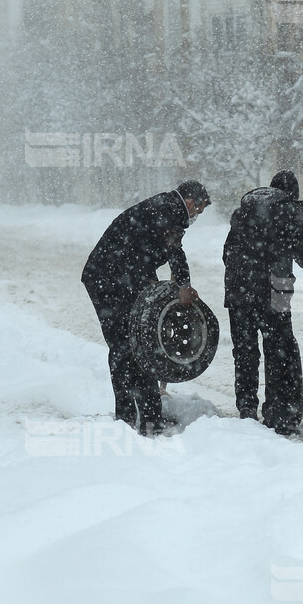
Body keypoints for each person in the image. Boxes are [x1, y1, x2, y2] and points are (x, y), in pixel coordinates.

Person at [81, 179, 210, 433]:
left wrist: (155, 280)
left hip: (121, 275)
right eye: (199, 210)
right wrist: (183, 285)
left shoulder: (165, 207)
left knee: (142, 343)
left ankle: (150, 415)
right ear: (190, 202)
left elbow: (143, 249)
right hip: (107, 280)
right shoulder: (170, 209)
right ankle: (129, 418)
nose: (196, 216)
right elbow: (173, 251)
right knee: (124, 345)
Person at [223, 170, 303, 435]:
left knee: (245, 352)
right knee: (277, 351)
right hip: (275, 291)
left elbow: (226, 253)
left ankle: (246, 409)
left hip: (239, 290)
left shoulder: (243, 210)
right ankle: (276, 414)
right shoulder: (290, 210)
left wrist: (244, 279)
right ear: (292, 193)